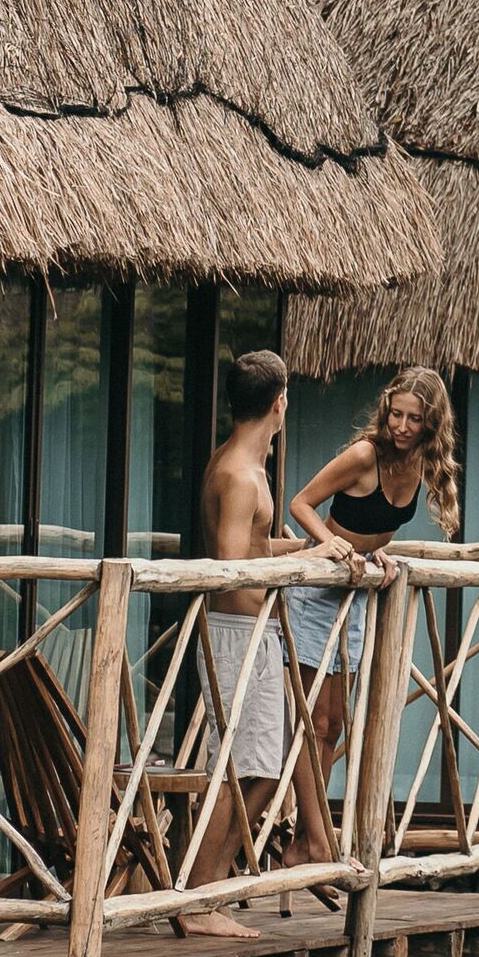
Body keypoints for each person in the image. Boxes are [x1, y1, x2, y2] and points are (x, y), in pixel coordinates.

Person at [286, 367, 460, 823]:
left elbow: (373, 525)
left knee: (336, 724)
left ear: (431, 423)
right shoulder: (365, 454)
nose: (402, 427)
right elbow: (301, 503)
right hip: (318, 590)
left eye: (414, 419)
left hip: (356, 594)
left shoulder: (421, 462)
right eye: (396, 415)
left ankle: (310, 835)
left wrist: (379, 550)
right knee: (313, 723)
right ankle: (314, 834)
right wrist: (327, 543)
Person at [200, 348, 312, 860]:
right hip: (236, 633)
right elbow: (230, 562)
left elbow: (249, 546)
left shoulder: (239, 464)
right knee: (242, 768)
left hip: (250, 633)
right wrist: (285, 566)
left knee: (265, 766)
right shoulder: (240, 475)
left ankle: (211, 885)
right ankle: (203, 887)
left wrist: (312, 548)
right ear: (280, 404)